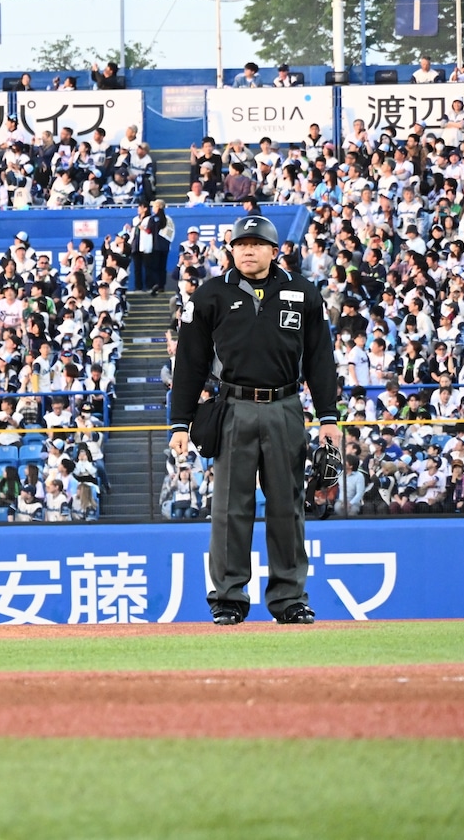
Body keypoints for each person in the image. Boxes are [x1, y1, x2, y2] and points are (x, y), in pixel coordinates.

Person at [169, 215, 341, 626]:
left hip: (286, 406)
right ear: (230, 250)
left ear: (274, 250)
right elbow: (189, 362)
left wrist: (329, 417)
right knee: (230, 508)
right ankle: (228, 598)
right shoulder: (210, 294)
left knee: (288, 506)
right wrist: (179, 422)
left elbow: (320, 359)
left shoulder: (303, 291)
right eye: (240, 244)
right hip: (233, 406)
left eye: (256, 243)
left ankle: (290, 598)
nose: (247, 249)